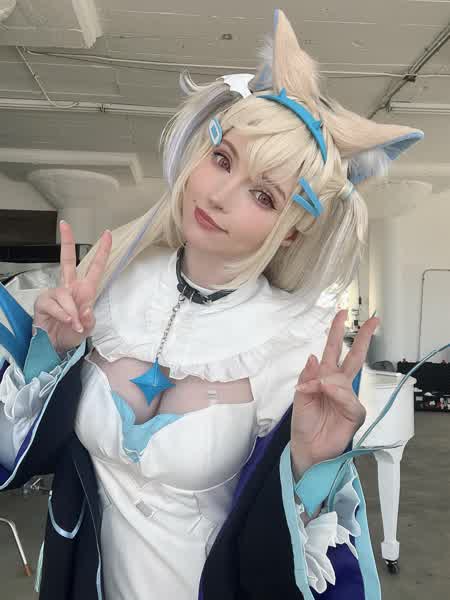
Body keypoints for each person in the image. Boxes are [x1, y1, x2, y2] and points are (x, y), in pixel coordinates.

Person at [0, 9, 423, 600]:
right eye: (223, 159)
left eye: (263, 195)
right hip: (84, 581)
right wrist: (54, 352)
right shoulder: (110, 285)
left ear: (291, 232)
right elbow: (22, 454)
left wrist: (308, 464)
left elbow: (289, 544)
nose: (219, 195)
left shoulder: (290, 345)